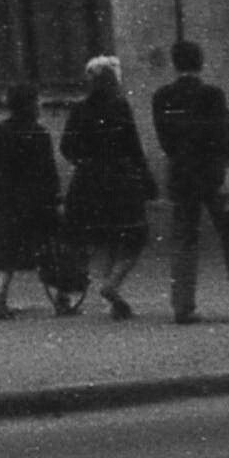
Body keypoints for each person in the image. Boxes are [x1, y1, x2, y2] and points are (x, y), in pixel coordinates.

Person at [152, 38, 229, 324]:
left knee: (184, 240)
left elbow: (164, 141)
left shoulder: (162, 97)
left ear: (175, 63)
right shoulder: (212, 95)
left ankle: (183, 307)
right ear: (200, 62)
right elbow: (223, 135)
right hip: (212, 174)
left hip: (181, 175)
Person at [57, 53, 158, 319]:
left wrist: (84, 162)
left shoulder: (79, 109)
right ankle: (111, 285)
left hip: (87, 183)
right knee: (129, 238)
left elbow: (66, 146)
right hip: (119, 182)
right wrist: (145, 178)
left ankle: (66, 294)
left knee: (84, 239)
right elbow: (133, 147)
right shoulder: (120, 107)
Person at [0, 83, 71, 319]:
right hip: (38, 201)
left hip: (10, 203)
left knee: (8, 254)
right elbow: (48, 172)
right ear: (29, 105)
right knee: (52, 250)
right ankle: (61, 298)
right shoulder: (39, 134)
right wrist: (56, 199)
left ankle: (0, 298)